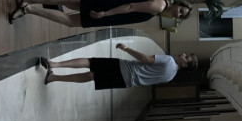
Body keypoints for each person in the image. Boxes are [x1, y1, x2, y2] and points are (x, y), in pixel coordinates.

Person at [41, 43, 198, 89]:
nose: (183, 54)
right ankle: (53, 78)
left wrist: (126, 48)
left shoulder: (169, 60)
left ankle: (55, 64)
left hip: (124, 68)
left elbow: (145, 59)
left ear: (184, 64)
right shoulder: (170, 77)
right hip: (126, 82)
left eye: (186, 57)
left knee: (91, 62)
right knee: (92, 77)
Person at [8, 0, 192, 27]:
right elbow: (131, 7)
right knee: (70, 21)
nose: (178, 14)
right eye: (181, 11)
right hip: (109, 10)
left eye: (180, 16)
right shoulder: (159, 6)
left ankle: (26, 0)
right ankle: (28, 8)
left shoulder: (161, 5)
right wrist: (105, 14)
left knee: (69, 1)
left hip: (109, 4)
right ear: (178, 4)